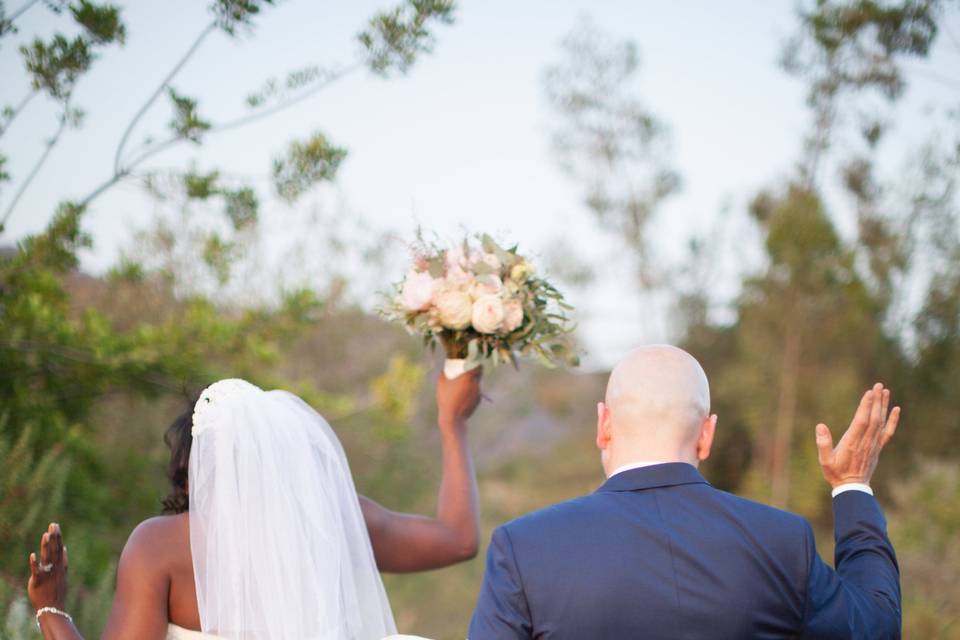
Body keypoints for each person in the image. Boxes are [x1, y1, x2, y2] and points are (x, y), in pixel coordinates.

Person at [469, 345, 902, 639]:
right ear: (706, 434)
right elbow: (876, 626)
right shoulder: (783, 542)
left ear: (604, 424)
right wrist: (852, 486)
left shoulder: (523, 549)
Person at [27, 368, 483, 639]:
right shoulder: (339, 518)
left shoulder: (161, 546)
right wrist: (452, 422)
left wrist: (51, 609)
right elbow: (458, 540)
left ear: (193, 465)